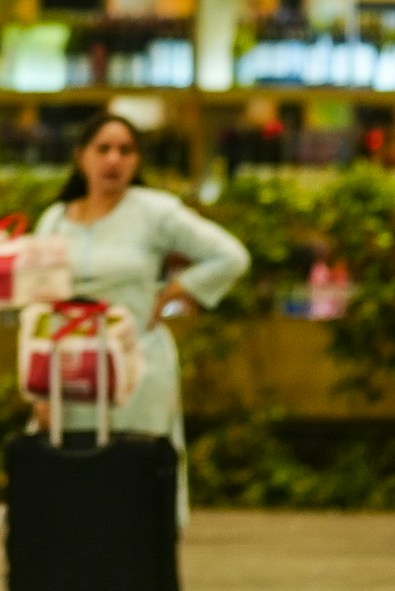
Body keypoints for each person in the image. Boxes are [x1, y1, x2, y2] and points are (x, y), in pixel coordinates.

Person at [28, 108, 249, 459]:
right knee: (70, 483)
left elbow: (230, 256)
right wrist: (38, 391)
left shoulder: (155, 211)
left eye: (125, 150)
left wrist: (174, 291)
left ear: (137, 160)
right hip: (69, 373)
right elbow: (36, 304)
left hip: (136, 369)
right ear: (80, 156)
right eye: (103, 149)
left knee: (136, 477)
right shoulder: (54, 219)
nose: (113, 159)